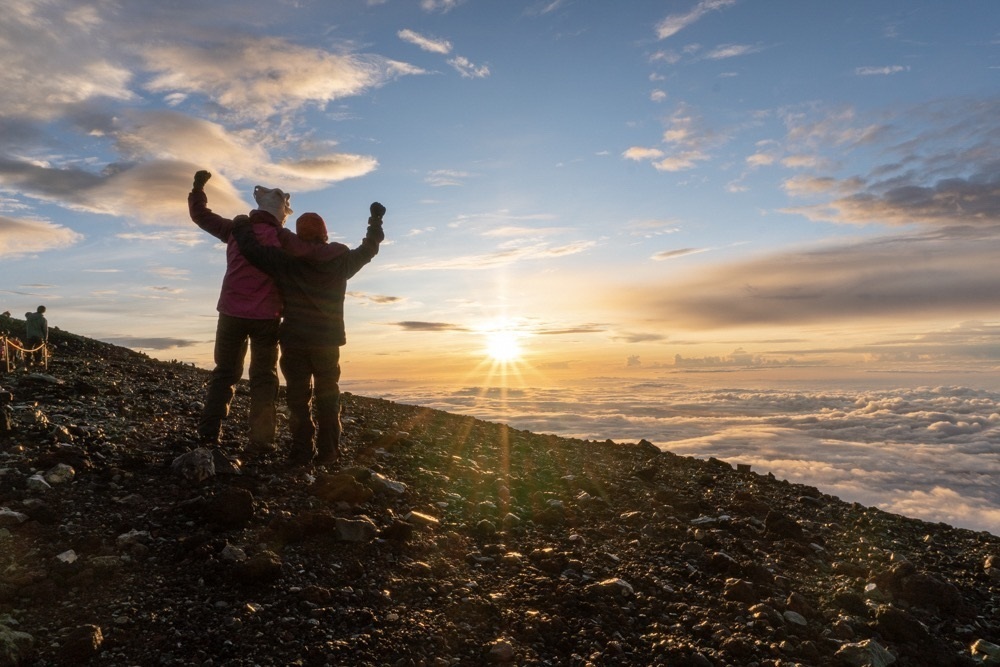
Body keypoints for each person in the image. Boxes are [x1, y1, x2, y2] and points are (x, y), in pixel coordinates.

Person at [232, 203, 385, 465]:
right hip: (327, 342)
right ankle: (329, 453)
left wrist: (242, 225)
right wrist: (375, 221)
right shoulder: (341, 261)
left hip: (295, 340)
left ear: (298, 236)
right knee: (328, 397)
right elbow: (369, 248)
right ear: (325, 234)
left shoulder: (286, 261)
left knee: (298, 400)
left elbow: (252, 251)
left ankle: (301, 451)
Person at [188, 170, 296, 451]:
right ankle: (261, 440)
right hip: (267, 318)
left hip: (231, 313)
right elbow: (314, 255)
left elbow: (201, 216)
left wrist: (198, 188)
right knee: (264, 377)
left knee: (225, 373)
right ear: (280, 213)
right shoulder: (283, 238)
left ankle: (209, 434)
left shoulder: (236, 230)